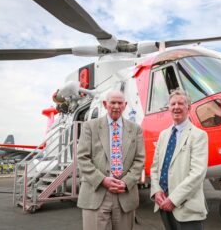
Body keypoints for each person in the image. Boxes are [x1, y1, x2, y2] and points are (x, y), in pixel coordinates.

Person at [77, 90, 145, 230]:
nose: (116, 106)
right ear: (105, 104)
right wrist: (102, 180)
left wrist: (126, 182)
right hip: (96, 192)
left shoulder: (136, 129)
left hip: (124, 194)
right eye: (112, 102)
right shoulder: (90, 127)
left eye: (120, 103)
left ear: (125, 105)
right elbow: (82, 158)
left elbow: (139, 160)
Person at [150, 89, 209, 230]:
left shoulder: (199, 136)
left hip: (186, 208)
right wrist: (157, 191)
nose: (176, 107)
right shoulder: (163, 135)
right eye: (173, 104)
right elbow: (154, 168)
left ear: (189, 108)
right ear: (169, 108)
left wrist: (174, 199)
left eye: (181, 103)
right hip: (163, 203)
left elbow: (197, 173)